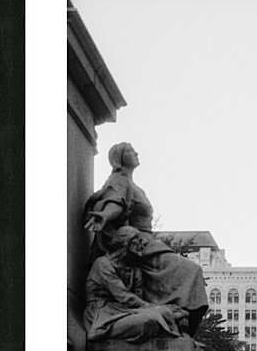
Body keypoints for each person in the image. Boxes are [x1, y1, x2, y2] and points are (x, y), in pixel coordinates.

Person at [83, 143, 208, 335]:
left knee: (191, 272)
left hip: (146, 242)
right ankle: (180, 325)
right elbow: (115, 202)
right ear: (120, 158)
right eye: (131, 151)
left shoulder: (133, 185)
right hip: (138, 245)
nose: (136, 153)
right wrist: (105, 216)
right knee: (191, 270)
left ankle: (183, 330)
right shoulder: (119, 180)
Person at [84, 227, 188, 343]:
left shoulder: (135, 270)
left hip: (125, 311)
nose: (141, 245)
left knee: (172, 312)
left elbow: (139, 300)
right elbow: (124, 296)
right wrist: (157, 309)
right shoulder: (102, 264)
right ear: (126, 242)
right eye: (137, 241)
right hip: (103, 316)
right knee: (148, 321)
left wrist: (165, 309)